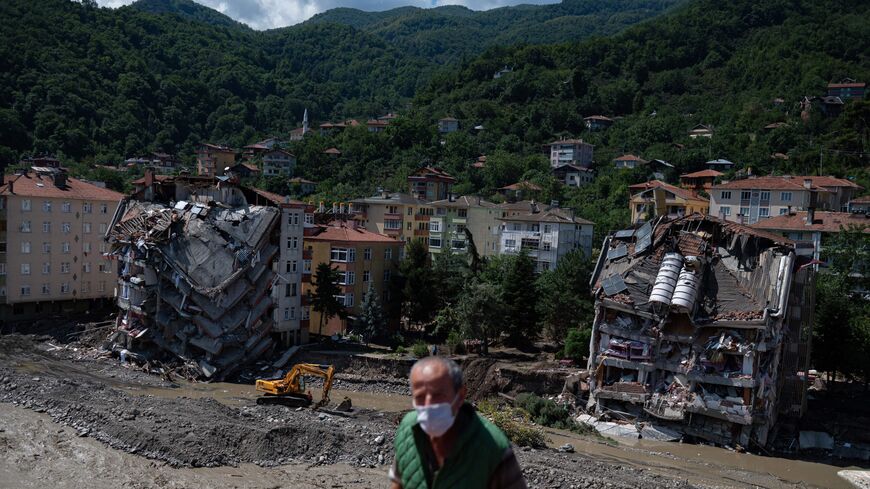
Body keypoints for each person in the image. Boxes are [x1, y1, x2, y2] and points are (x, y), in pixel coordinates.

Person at [389, 356, 527, 489]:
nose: (428, 405)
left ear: (460, 396)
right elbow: (399, 482)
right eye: (420, 397)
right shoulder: (408, 431)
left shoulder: (494, 447)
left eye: (438, 395)